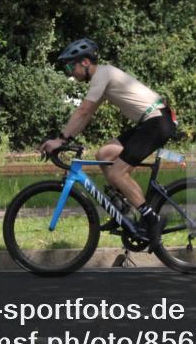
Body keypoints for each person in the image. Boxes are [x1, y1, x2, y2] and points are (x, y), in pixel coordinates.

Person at [39, 38, 176, 250]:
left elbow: (83, 110)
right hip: (151, 121)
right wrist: (66, 138)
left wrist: (61, 140)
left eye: (70, 66)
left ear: (85, 62)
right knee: (104, 154)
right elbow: (87, 115)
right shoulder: (102, 78)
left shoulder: (102, 74)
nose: (69, 72)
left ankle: (153, 219)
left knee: (116, 174)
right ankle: (123, 210)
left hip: (157, 122)